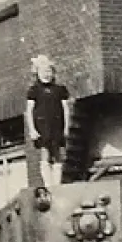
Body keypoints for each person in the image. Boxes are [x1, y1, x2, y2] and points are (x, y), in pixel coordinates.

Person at [25, 54, 71, 187]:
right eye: (44, 71)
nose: (47, 74)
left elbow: (65, 108)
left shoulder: (59, 90)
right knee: (45, 152)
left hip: (56, 124)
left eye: (49, 71)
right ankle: (48, 184)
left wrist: (66, 127)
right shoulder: (34, 90)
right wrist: (32, 129)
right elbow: (29, 110)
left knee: (57, 153)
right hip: (42, 125)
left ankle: (56, 184)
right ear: (38, 73)